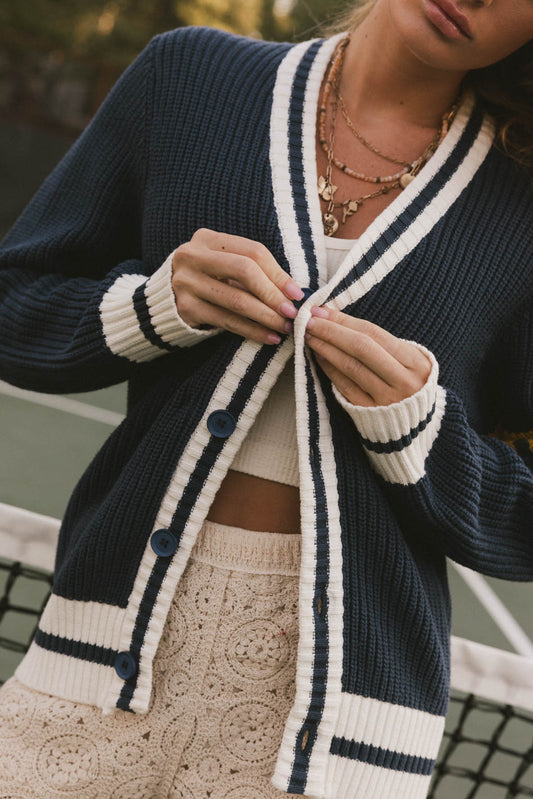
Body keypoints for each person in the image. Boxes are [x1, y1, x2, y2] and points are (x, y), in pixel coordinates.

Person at [0, 0, 532, 796]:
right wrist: (151, 308)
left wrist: (420, 431)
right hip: (97, 661)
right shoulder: (188, 78)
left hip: (340, 736)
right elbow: (17, 302)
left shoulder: (522, 201)